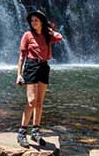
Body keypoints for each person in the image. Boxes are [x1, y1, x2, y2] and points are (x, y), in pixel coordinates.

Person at [16, 10, 63, 148]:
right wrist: (19, 74)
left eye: (36, 20)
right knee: (31, 102)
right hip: (31, 66)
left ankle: (35, 131)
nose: (33, 22)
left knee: (40, 102)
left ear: (41, 21)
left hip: (44, 67)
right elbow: (21, 56)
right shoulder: (27, 35)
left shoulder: (47, 35)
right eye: (32, 20)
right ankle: (22, 132)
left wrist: (49, 30)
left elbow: (59, 37)